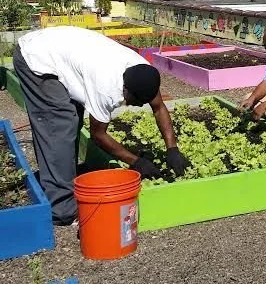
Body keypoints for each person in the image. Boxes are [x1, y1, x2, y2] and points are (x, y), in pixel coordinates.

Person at [13, 26, 190, 225]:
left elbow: (159, 108)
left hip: (60, 49)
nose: (139, 105)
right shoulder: (107, 88)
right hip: (36, 58)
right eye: (136, 101)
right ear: (125, 90)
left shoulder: (143, 72)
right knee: (60, 124)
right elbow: (98, 135)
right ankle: (62, 210)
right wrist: (136, 162)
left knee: (71, 121)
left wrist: (172, 149)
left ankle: (62, 178)